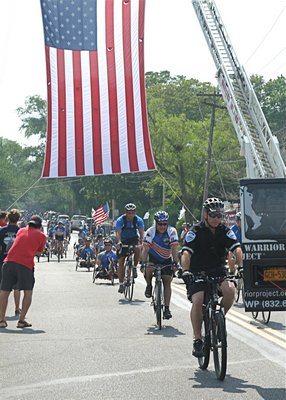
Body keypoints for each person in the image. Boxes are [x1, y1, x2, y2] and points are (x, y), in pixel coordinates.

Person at [181, 197, 243, 358]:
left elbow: (236, 248)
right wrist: (185, 270)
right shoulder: (195, 231)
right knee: (198, 299)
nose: (216, 219)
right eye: (213, 215)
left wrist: (241, 266)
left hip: (218, 270)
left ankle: (218, 320)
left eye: (219, 215)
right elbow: (186, 253)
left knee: (230, 291)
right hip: (197, 271)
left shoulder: (225, 230)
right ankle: (197, 339)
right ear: (206, 215)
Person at [0, 215, 46, 328]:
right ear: (40, 226)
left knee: (4, 292)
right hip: (25, 265)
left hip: (8, 262)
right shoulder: (41, 236)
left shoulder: (21, 230)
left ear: (29, 224)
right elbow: (39, 252)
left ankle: (1, 320)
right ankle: (21, 320)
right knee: (28, 292)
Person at [141, 211, 179, 320]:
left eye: (164, 224)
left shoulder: (172, 231)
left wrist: (176, 263)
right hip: (153, 258)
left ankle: (167, 309)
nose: (162, 226)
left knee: (167, 281)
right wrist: (143, 263)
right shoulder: (150, 231)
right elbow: (145, 249)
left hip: (166, 259)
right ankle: (149, 285)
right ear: (156, 223)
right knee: (148, 269)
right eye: (160, 224)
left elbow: (174, 250)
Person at [115, 203, 144, 294]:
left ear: (135, 213)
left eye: (132, 213)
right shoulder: (120, 220)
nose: (130, 215)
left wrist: (141, 243)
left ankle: (134, 267)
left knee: (137, 249)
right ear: (126, 213)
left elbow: (141, 233)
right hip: (123, 239)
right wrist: (119, 242)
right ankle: (121, 283)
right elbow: (118, 232)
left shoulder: (138, 220)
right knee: (121, 262)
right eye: (129, 213)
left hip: (133, 238)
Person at [0, 209, 21, 315]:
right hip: (17, 261)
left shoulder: (2, 231)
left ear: (8, 218)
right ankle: (17, 308)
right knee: (17, 287)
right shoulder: (21, 231)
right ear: (18, 219)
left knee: (3, 287)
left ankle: (1, 312)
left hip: (3, 261)